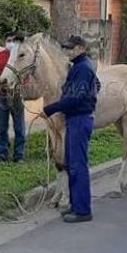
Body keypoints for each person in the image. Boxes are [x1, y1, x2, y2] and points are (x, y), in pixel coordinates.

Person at [41, 35, 100, 223]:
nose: (67, 51)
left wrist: (50, 109)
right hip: (75, 119)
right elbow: (97, 85)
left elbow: (75, 98)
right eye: (66, 48)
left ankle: (82, 211)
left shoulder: (83, 68)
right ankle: (76, 206)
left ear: (81, 48)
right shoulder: (80, 66)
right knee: (72, 164)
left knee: (78, 166)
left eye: (71, 48)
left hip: (80, 119)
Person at [0, 32, 27, 163]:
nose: (11, 43)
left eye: (13, 40)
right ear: (4, 42)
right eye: (9, 40)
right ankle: (2, 154)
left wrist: (22, 83)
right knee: (2, 127)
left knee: (19, 127)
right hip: (2, 94)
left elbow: (27, 74)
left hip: (16, 95)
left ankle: (19, 155)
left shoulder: (20, 57)